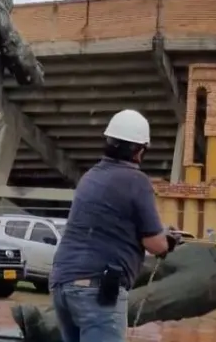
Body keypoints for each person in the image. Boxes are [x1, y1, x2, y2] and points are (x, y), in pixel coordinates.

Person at [49, 109, 180, 342]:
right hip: (98, 289)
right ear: (140, 151)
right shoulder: (136, 181)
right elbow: (155, 245)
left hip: (62, 283)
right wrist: (169, 240)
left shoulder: (90, 176)